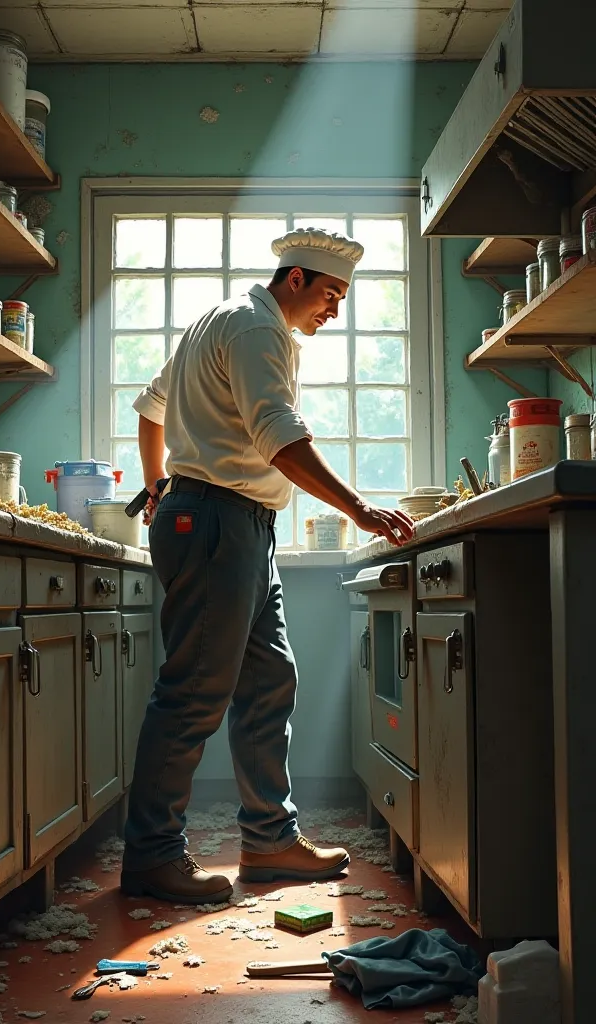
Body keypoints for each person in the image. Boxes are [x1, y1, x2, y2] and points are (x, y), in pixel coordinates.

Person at [121, 227, 415, 906]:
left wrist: (158, 482)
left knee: (269, 681)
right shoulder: (260, 330)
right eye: (330, 294)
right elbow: (278, 433)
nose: (333, 311)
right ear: (295, 279)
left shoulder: (216, 320)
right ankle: (151, 855)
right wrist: (359, 507)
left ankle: (269, 842)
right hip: (220, 520)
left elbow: (149, 408)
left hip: (236, 522)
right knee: (193, 692)